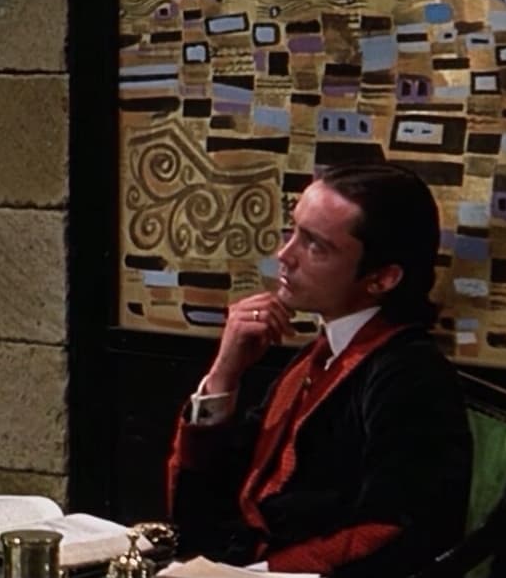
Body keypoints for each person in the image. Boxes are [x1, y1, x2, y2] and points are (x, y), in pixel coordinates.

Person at [166, 162, 472, 578]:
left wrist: (262, 573)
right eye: (292, 231)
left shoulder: (411, 375)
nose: (284, 255)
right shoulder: (321, 351)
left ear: (382, 278)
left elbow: (396, 529)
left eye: (315, 245)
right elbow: (207, 499)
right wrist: (225, 374)